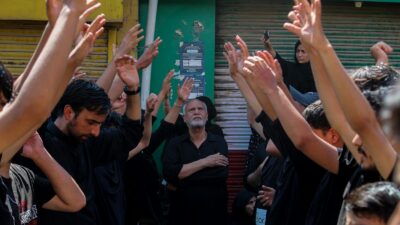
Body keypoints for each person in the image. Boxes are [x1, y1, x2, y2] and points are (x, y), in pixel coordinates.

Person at [18, 53, 143, 225]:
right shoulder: (34, 142)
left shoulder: (89, 142)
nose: (96, 131)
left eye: (100, 124)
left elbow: (130, 134)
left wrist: (133, 88)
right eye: (91, 122)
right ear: (69, 112)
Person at [162, 98, 229, 225]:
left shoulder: (218, 141)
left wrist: (183, 173)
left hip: (213, 213)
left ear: (207, 115)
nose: (197, 112)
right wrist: (205, 162)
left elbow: (221, 174)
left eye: (200, 109)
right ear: (184, 118)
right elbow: (169, 173)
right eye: (192, 110)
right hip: (182, 213)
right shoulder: (175, 143)